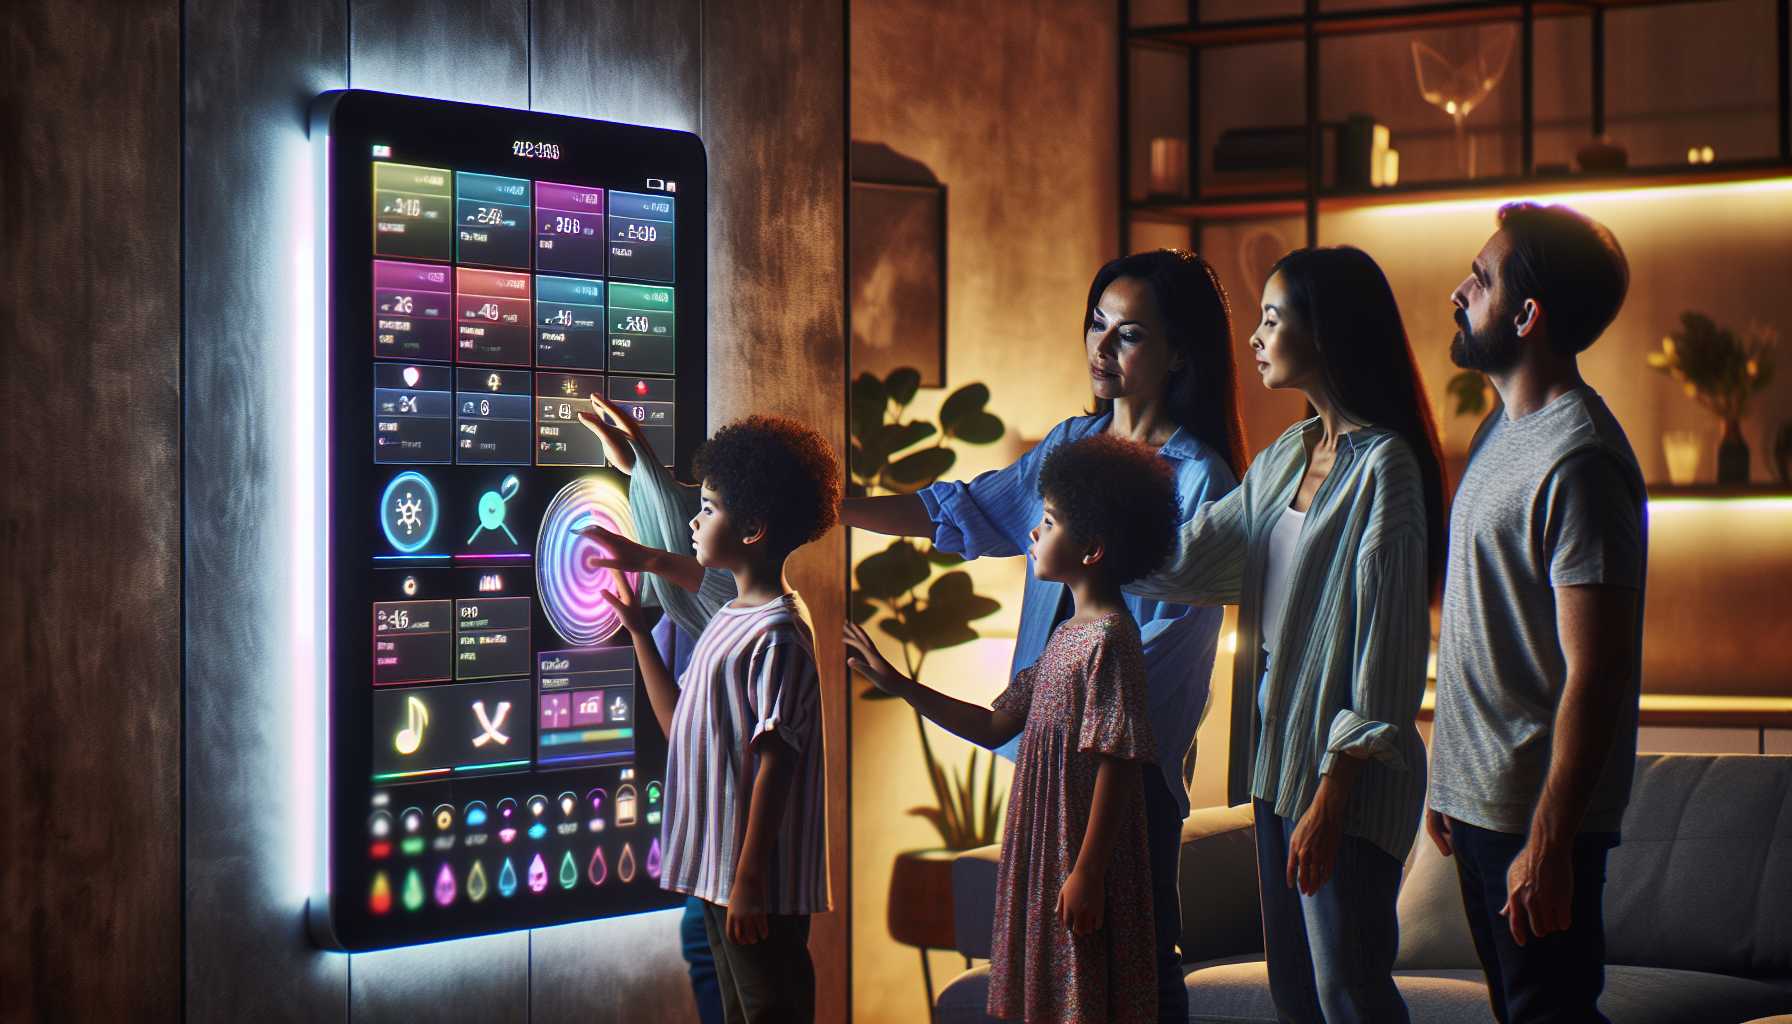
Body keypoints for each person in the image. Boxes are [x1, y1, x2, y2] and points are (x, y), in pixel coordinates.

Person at [845, 249, 1248, 1023]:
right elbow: (966, 510)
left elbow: (1162, 650)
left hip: (1126, 773)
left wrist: (1067, 716)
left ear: (1179, 352)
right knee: (1045, 972)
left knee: (1140, 968)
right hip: (1041, 758)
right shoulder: (1071, 445)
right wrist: (839, 509)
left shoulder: (1201, 481)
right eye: (1096, 324)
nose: (1101, 347)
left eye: (1128, 334)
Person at [1130, 246, 1447, 1023]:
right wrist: (1092, 540)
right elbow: (1191, 557)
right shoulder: (1285, 457)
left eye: (1272, 318)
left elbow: (1389, 651)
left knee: (1350, 992)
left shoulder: (1387, 469)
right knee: (1295, 996)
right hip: (1276, 762)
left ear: (1326, 331)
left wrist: (1335, 788)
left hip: (1349, 773)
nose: (1255, 337)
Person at [846, 434, 1180, 1023]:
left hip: (1075, 849)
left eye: (1048, 523)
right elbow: (996, 723)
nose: (1033, 532)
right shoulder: (1063, 637)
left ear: (1093, 548)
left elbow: (1119, 762)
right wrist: (899, 682)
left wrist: (1087, 871)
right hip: (1044, 845)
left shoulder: (1111, 640)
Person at [1426, 202, 1646, 1024]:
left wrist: (1550, 842)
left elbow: (1599, 671)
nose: (1458, 292)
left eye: (1478, 281)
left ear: (1526, 316)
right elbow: (1488, 623)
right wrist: (1449, 773)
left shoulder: (1579, 458)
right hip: (1481, 803)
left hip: (1532, 816)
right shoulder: (1498, 432)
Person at [595, 414, 841, 1024]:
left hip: (751, 886)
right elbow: (682, 729)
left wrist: (750, 877)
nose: (694, 520)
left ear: (753, 528)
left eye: (707, 508)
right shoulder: (731, 615)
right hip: (718, 879)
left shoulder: (779, 633)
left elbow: (777, 761)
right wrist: (637, 634)